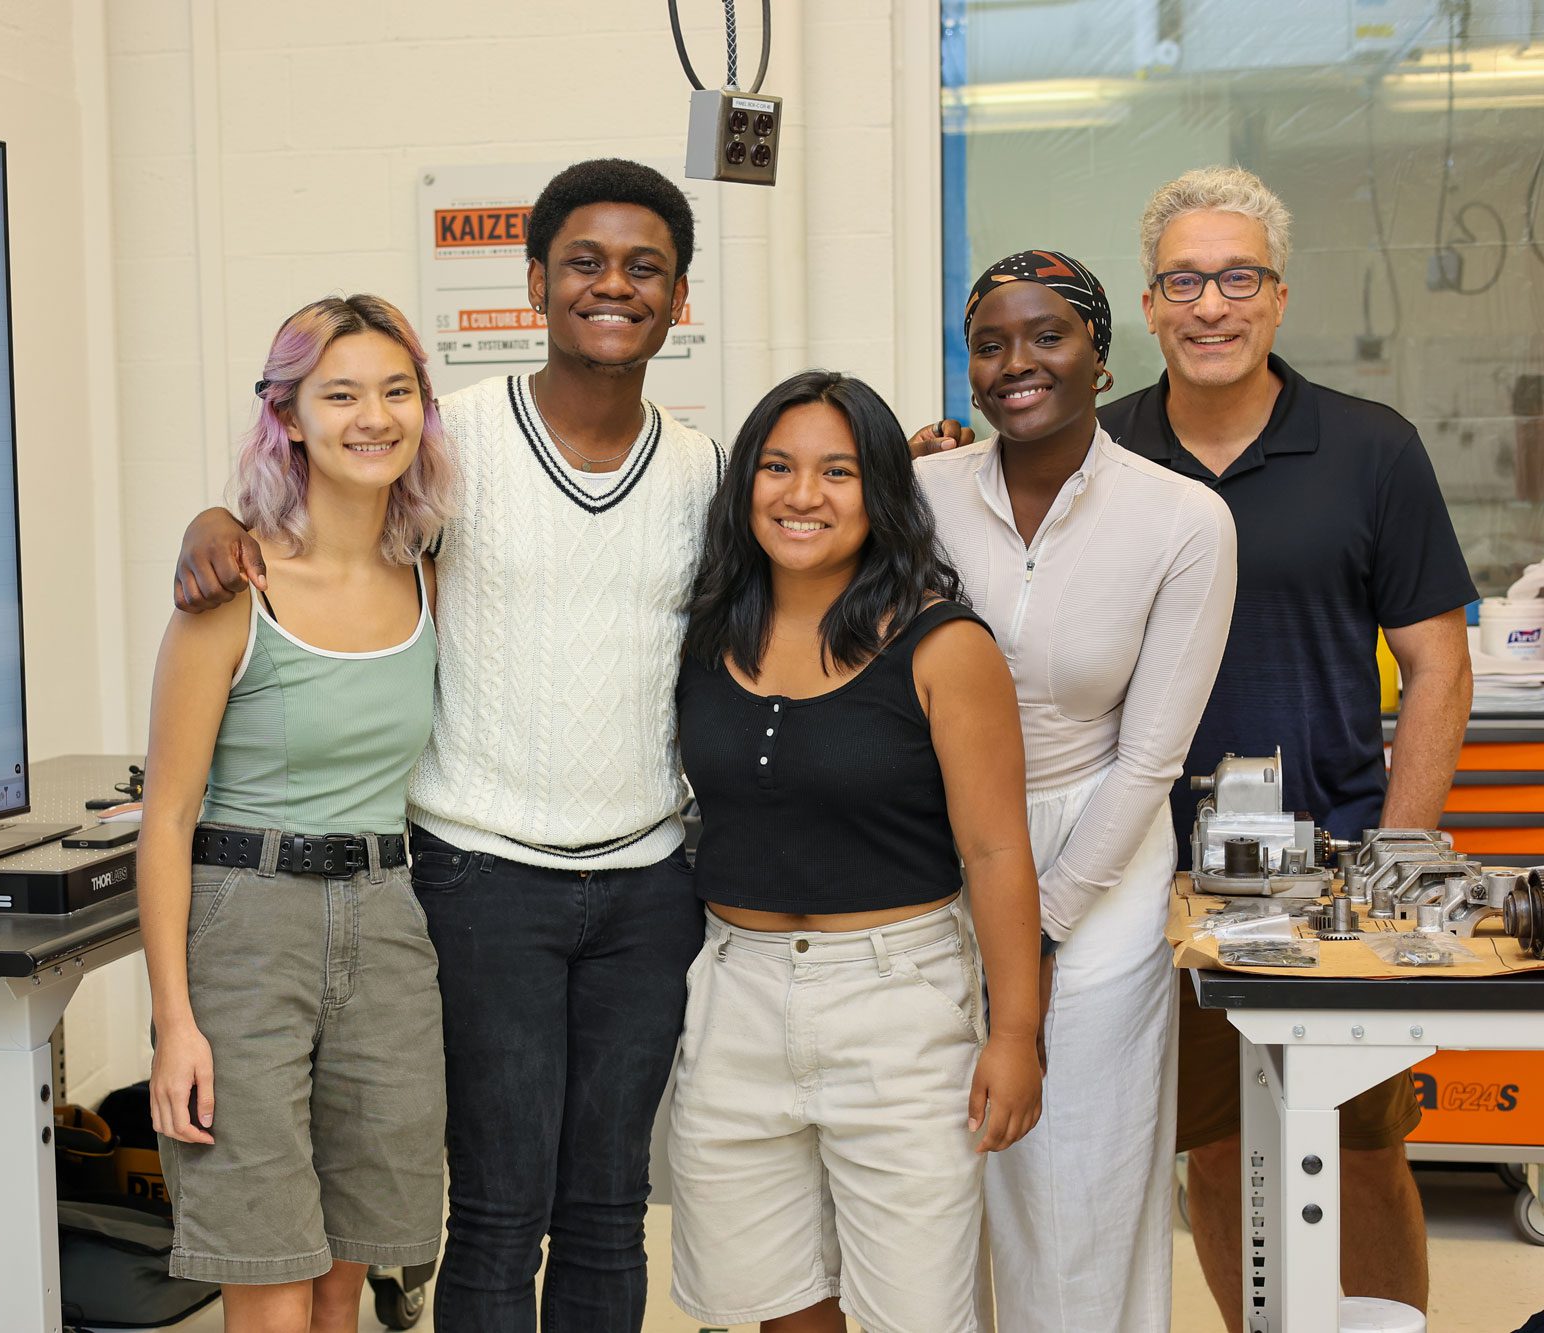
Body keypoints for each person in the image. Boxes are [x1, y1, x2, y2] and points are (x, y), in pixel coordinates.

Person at [171, 160, 724, 1331]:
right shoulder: (446, 441)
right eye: (583, 261)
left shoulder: (702, 467)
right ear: (534, 281)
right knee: (491, 1208)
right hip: (479, 880)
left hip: (644, 885)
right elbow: (314, 495)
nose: (611, 286)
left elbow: (810, 539)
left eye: (643, 268)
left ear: (679, 296)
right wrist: (212, 519)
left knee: (608, 1206)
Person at [1103, 167, 1471, 1327]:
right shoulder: (1094, 456)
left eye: (1236, 277)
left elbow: (1437, 664)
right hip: (1148, 887)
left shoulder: (1370, 450)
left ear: (1274, 296)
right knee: (1211, 1152)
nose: (1209, 304)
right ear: (1148, 303)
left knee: (1357, 1152)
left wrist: (1398, 853)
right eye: (1182, 281)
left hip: (1331, 887)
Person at [668, 370, 1043, 1333]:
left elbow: (998, 851)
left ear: (880, 491)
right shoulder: (706, 633)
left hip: (898, 1003)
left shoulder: (944, 643)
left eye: (838, 471)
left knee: (914, 1311)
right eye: (778, 467)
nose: (803, 495)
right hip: (735, 998)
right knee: (776, 1304)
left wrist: (1014, 1033)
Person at [914, 249, 1237, 1332]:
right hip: (935, 851)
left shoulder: (1181, 520)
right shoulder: (916, 495)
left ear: (1100, 355)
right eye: (990, 342)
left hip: (1099, 854)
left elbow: (1150, 758)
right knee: (939, 1170)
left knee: (1078, 1173)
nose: (1017, 362)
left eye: (1046, 334)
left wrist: (1040, 931)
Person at [137, 294, 455, 1333]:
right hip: (245, 923)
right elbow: (166, 817)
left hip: (386, 918)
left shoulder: (428, 574)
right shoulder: (233, 582)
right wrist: (174, 1023)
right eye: (342, 394)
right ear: (291, 416)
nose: (374, 417)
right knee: (267, 1269)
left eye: (396, 391)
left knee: (343, 1270)